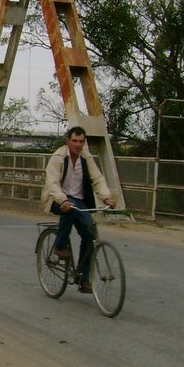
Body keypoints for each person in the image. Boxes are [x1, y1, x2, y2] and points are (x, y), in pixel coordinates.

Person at [42, 126, 116, 294]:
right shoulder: (58, 157)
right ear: (68, 141)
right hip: (57, 198)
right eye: (74, 141)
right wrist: (63, 200)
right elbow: (52, 183)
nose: (77, 145)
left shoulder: (86, 158)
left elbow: (97, 178)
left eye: (81, 141)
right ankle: (60, 246)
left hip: (80, 200)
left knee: (90, 234)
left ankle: (84, 278)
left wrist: (106, 196)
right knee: (70, 209)